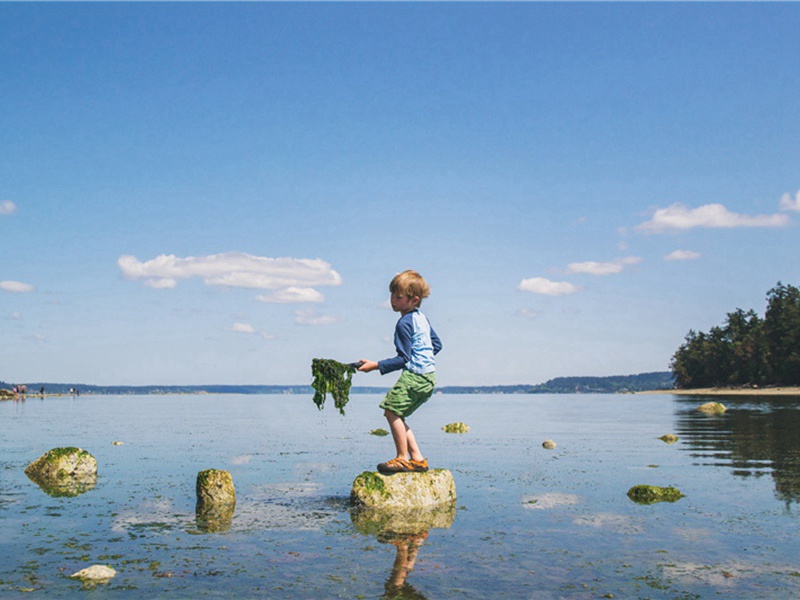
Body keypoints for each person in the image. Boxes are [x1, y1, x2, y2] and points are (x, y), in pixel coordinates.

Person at [359, 270, 442, 474]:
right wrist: (424, 358)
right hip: (429, 377)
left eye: (398, 297)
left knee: (391, 411)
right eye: (392, 295)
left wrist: (375, 365)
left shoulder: (404, 323)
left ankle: (402, 458)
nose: (392, 301)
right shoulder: (422, 319)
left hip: (414, 376)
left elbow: (403, 359)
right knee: (398, 414)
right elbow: (437, 345)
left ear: (414, 300)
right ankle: (418, 459)